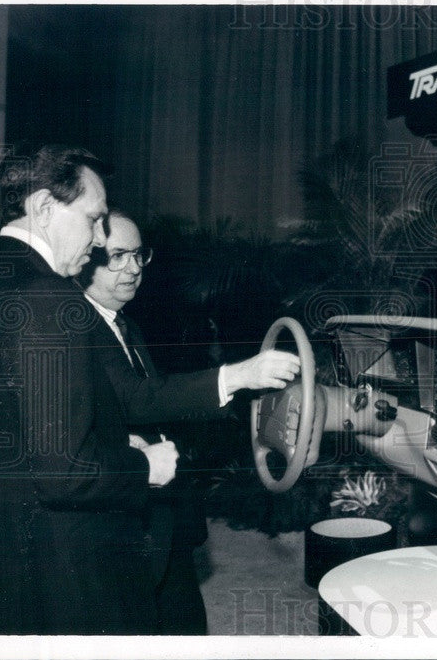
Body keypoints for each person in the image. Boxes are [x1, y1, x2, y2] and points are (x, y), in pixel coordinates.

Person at [0, 144, 179, 634]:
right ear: (45, 208)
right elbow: (64, 473)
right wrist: (143, 466)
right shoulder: (46, 296)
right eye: (93, 218)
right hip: (60, 557)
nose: (100, 236)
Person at [77, 211, 301, 634]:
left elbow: (149, 400)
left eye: (139, 255)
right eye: (117, 256)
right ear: (85, 259)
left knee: (184, 621)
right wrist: (240, 374)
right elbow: (140, 399)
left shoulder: (122, 323)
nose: (133, 268)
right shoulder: (81, 327)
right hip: (125, 516)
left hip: (161, 512)